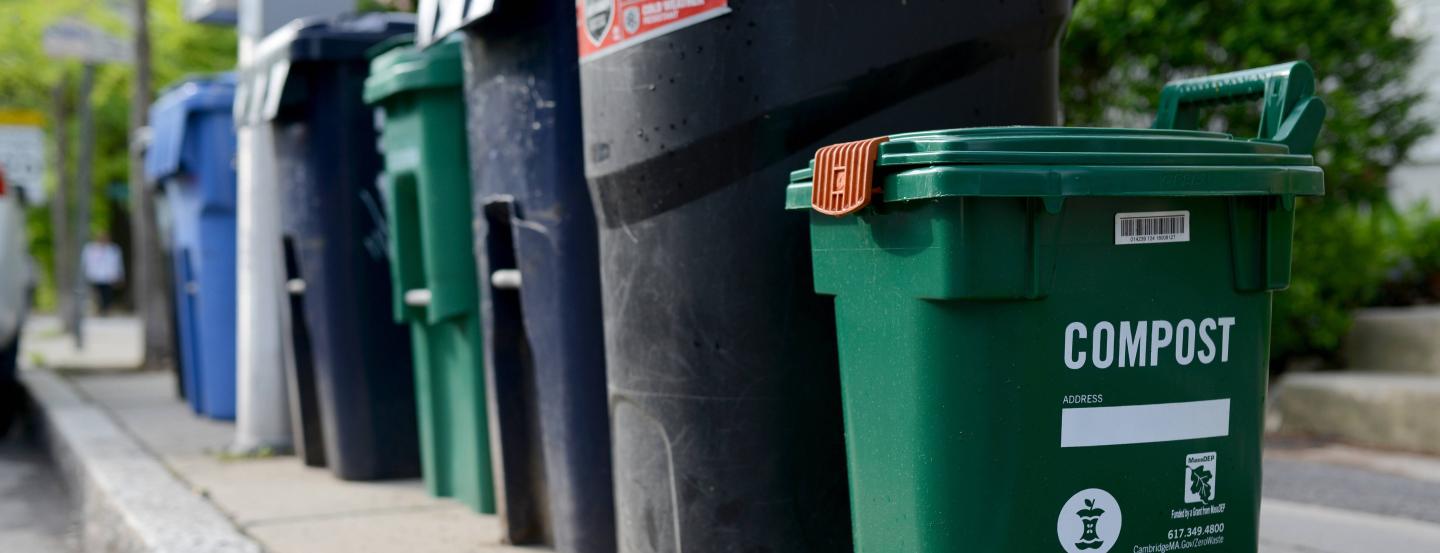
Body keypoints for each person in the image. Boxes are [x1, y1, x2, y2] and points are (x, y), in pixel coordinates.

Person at [82, 233, 125, 315]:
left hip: (108, 277)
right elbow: (85, 263)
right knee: (95, 295)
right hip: (94, 276)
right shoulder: (90, 249)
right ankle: (97, 310)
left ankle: (105, 310)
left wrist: (120, 277)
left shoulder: (113, 250)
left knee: (107, 295)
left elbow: (118, 264)